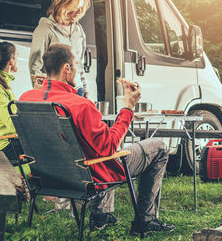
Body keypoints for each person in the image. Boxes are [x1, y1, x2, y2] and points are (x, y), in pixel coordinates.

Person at [20, 44, 175, 236]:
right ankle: (146, 219)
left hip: (48, 178)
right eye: (76, 65)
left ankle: (102, 215)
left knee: (94, 146)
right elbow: (109, 148)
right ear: (66, 69)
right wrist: (128, 108)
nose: (78, 71)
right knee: (159, 147)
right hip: (88, 177)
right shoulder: (80, 105)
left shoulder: (26, 98)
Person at [29, 0, 90, 97]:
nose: (80, 12)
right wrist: (41, 94)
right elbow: (35, 67)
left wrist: (85, 90)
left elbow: (79, 64)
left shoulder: (78, 29)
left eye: (82, 8)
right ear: (65, 4)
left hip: (77, 90)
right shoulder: (44, 29)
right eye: (77, 7)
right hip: (56, 91)